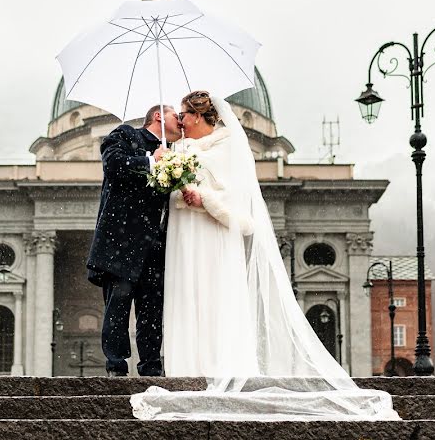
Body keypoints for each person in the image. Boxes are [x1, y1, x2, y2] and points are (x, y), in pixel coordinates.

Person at [131, 91, 400, 421]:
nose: (179, 120)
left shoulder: (228, 148)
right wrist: (165, 169)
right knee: (184, 302)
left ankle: (216, 372)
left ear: (198, 116)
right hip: (182, 243)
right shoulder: (177, 150)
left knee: (213, 303)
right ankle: (183, 374)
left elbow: (244, 219)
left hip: (211, 242)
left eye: (183, 114)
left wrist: (203, 199)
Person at [87, 104, 183, 377]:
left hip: (156, 246)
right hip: (122, 243)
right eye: (176, 116)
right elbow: (114, 165)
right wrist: (153, 160)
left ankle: (151, 366)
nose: (181, 121)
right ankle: (116, 366)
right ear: (158, 116)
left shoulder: (178, 155)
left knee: (152, 311)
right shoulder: (126, 135)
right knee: (117, 305)